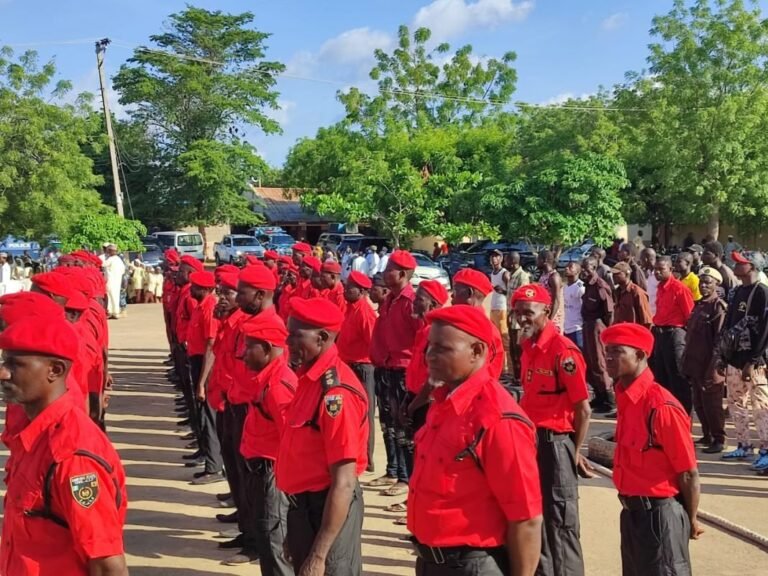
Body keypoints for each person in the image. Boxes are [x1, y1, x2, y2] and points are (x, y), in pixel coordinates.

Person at [407, 305, 543, 576]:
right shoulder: (444, 403)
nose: (429, 355)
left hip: (471, 565)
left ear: (477, 351)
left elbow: (526, 519)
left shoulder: (497, 419)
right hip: (433, 562)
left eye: (442, 348)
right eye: (429, 347)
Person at [0, 317, 128, 576]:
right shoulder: (34, 434)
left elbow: (107, 565)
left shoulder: (72, 456)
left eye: (15, 364)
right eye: (4, 362)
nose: (3, 373)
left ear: (55, 370)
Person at [277, 298, 369, 576]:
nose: (288, 341)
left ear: (322, 338)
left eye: (296, 335)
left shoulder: (336, 395)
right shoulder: (310, 379)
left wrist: (318, 554)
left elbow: (343, 481)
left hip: (328, 508)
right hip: (305, 507)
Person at [601, 323, 701, 576]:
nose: (608, 357)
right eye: (607, 350)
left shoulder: (661, 406)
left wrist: (689, 520)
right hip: (632, 516)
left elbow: (688, 472)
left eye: (617, 351)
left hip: (660, 517)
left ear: (640, 355)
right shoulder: (626, 397)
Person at [513, 284, 591, 576]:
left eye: (528, 312)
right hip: (531, 444)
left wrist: (574, 451)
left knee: (561, 523)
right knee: (537, 518)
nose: (522, 318)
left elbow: (583, 409)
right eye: (518, 312)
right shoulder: (528, 348)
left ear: (546, 311)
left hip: (556, 445)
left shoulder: (563, 352)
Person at [238, 312, 295, 575]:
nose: (244, 354)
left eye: (250, 347)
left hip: (273, 474)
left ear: (268, 348)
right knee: (267, 541)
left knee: (275, 545)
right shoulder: (266, 378)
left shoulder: (278, 386)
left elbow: (291, 441)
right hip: (261, 470)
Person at [369, 250, 423, 496]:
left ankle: (405, 477)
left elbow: (421, 339)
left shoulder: (411, 302)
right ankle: (393, 469)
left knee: (403, 427)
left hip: (403, 371)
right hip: (386, 367)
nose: (384, 272)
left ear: (402, 274)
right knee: (388, 423)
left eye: (389, 268)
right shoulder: (389, 300)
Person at [719, 251, 768, 472]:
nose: (735, 265)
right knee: (736, 403)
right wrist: (723, 356)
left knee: (761, 407)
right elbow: (729, 324)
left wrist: (753, 360)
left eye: (741, 263)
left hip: (754, 363)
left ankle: (765, 450)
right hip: (734, 358)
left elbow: (765, 331)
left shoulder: (762, 293)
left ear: (753, 267)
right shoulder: (737, 291)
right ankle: (743, 445)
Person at [682, 266, 727, 454]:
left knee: (712, 404)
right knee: (699, 403)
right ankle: (707, 435)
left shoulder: (718, 307)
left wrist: (714, 367)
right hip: (695, 363)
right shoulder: (699, 305)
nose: (703, 286)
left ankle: (719, 439)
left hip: (710, 364)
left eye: (708, 283)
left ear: (716, 284)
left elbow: (720, 341)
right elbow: (690, 336)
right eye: (701, 282)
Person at [336, 271, 378, 471]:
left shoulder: (364, 313)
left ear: (361, 291)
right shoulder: (350, 309)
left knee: (365, 414)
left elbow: (373, 344)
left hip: (362, 368)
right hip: (348, 366)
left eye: (350, 288)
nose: (345, 290)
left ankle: (367, 458)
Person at [187, 270, 224, 485]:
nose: (191, 289)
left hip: (206, 365)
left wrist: (202, 382)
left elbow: (211, 345)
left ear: (205, 289)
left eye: (195, 287)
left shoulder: (209, 307)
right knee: (203, 414)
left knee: (209, 416)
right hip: (198, 362)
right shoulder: (201, 305)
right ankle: (208, 457)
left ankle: (214, 467)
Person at [652, 256, 695, 413]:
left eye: (661, 269)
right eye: (655, 269)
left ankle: (684, 414)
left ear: (670, 269)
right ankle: (666, 412)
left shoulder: (679, 288)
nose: (657, 272)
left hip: (674, 334)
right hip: (660, 334)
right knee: (661, 376)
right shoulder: (660, 288)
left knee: (678, 377)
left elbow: (690, 316)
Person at [451, 268, 505, 379]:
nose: (451, 295)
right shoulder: (454, 322)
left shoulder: (487, 331)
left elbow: (490, 374)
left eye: (455, 290)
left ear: (469, 293)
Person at [580, 257, 615, 413]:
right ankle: (599, 394)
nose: (583, 271)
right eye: (582, 267)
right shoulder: (587, 285)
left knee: (599, 362)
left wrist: (606, 330)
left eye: (587, 268)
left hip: (597, 325)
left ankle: (608, 398)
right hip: (587, 324)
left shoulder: (600, 285)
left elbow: (609, 311)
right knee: (589, 361)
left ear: (594, 268)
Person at [505, 251, 532, 378]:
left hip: (518, 318)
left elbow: (522, 299)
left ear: (513, 262)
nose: (505, 263)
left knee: (518, 347)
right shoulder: (511, 275)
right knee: (512, 348)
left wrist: (513, 314)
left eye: (507, 260)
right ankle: (516, 376)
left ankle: (522, 376)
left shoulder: (522, 276)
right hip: (511, 316)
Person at [489, 249, 511, 373]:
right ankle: (500, 367)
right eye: (492, 256)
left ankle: (508, 368)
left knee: (504, 338)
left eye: (497, 256)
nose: (494, 259)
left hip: (502, 308)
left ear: (501, 259)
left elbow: (511, 292)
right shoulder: (493, 273)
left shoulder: (504, 274)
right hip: (494, 307)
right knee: (495, 338)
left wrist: (503, 291)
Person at [612, 262, 653, 328]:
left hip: (633, 331)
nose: (613, 276)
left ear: (627, 274)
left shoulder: (637, 292)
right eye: (613, 274)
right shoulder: (617, 292)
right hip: (620, 330)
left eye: (617, 274)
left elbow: (647, 320)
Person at [538, 250, 564, 332]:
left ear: (545, 260)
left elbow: (556, 300)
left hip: (552, 320)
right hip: (544, 316)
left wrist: (549, 320)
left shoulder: (554, 277)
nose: (537, 261)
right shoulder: (544, 275)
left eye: (538, 259)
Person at [563, 261, 585, 349]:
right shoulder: (565, 286)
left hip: (577, 328)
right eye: (566, 267)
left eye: (570, 267)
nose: (566, 268)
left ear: (577, 271)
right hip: (566, 328)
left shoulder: (580, 288)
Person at [103, 244, 126, 319]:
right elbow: (123, 270)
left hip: (110, 281)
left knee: (110, 296)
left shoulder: (111, 259)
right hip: (117, 281)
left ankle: (112, 312)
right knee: (115, 296)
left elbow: (103, 264)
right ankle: (114, 312)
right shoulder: (119, 260)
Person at [640, 248, 659, 316]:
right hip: (649, 313)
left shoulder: (659, 275)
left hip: (658, 314)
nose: (640, 262)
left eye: (641, 259)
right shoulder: (647, 273)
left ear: (645, 259)